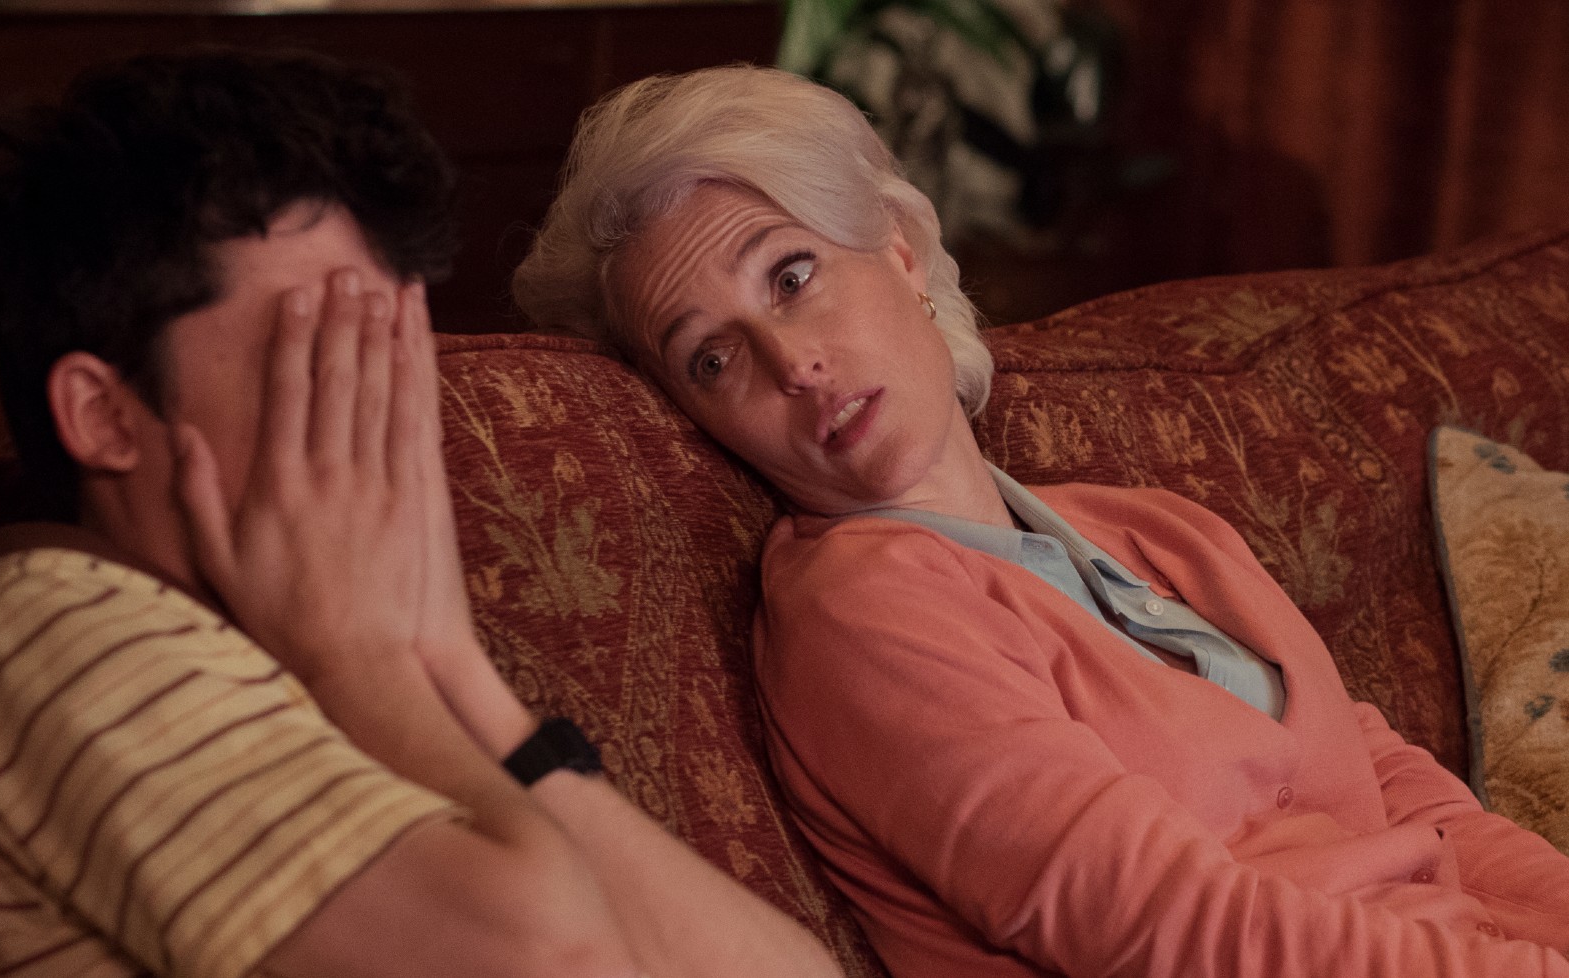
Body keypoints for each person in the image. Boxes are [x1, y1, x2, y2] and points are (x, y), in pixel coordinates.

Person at [512, 64, 1569, 976]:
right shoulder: (861, 613)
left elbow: (1399, 787)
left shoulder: (1154, 528)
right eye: (712, 358)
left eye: (792, 277)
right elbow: (1168, 935)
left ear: (896, 252)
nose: (792, 366)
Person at [0, 48, 843, 978]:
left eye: (383, 347)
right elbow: (552, 960)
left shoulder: (296, 632)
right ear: (104, 417)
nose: (386, 411)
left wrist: (448, 663)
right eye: (316, 348)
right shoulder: (59, 627)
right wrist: (367, 666)